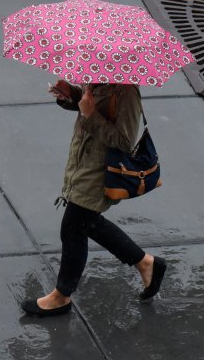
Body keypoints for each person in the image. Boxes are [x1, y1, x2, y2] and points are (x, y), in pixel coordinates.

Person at [21, 80, 166, 317]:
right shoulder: (100, 76)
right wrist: (72, 95)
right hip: (83, 163)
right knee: (87, 224)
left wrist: (89, 114)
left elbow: (125, 141)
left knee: (72, 228)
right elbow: (92, 106)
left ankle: (61, 296)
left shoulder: (127, 91)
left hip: (99, 171)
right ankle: (146, 263)